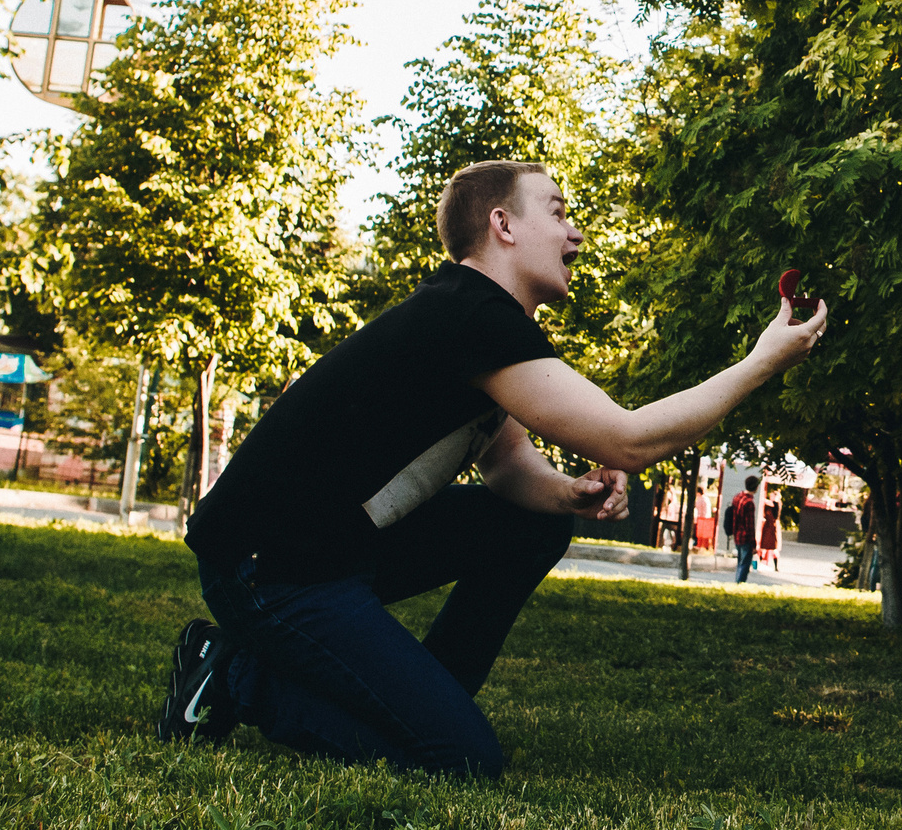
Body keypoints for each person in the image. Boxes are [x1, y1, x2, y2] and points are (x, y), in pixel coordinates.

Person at [160, 159, 828, 776]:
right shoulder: (470, 314)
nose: (576, 232)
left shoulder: (472, 319)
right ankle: (231, 677)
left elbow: (506, 463)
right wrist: (762, 361)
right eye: (558, 211)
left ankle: (429, 694)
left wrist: (568, 492)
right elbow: (628, 441)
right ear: (501, 225)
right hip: (268, 568)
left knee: (532, 526)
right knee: (462, 759)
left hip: (337, 551)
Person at [725, 475, 762, 583]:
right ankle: (739, 584)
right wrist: (754, 544)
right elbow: (750, 525)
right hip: (745, 537)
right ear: (756, 487)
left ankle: (737, 581)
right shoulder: (749, 503)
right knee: (745, 564)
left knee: (740, 562)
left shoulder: (738, 497)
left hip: (737, 534)